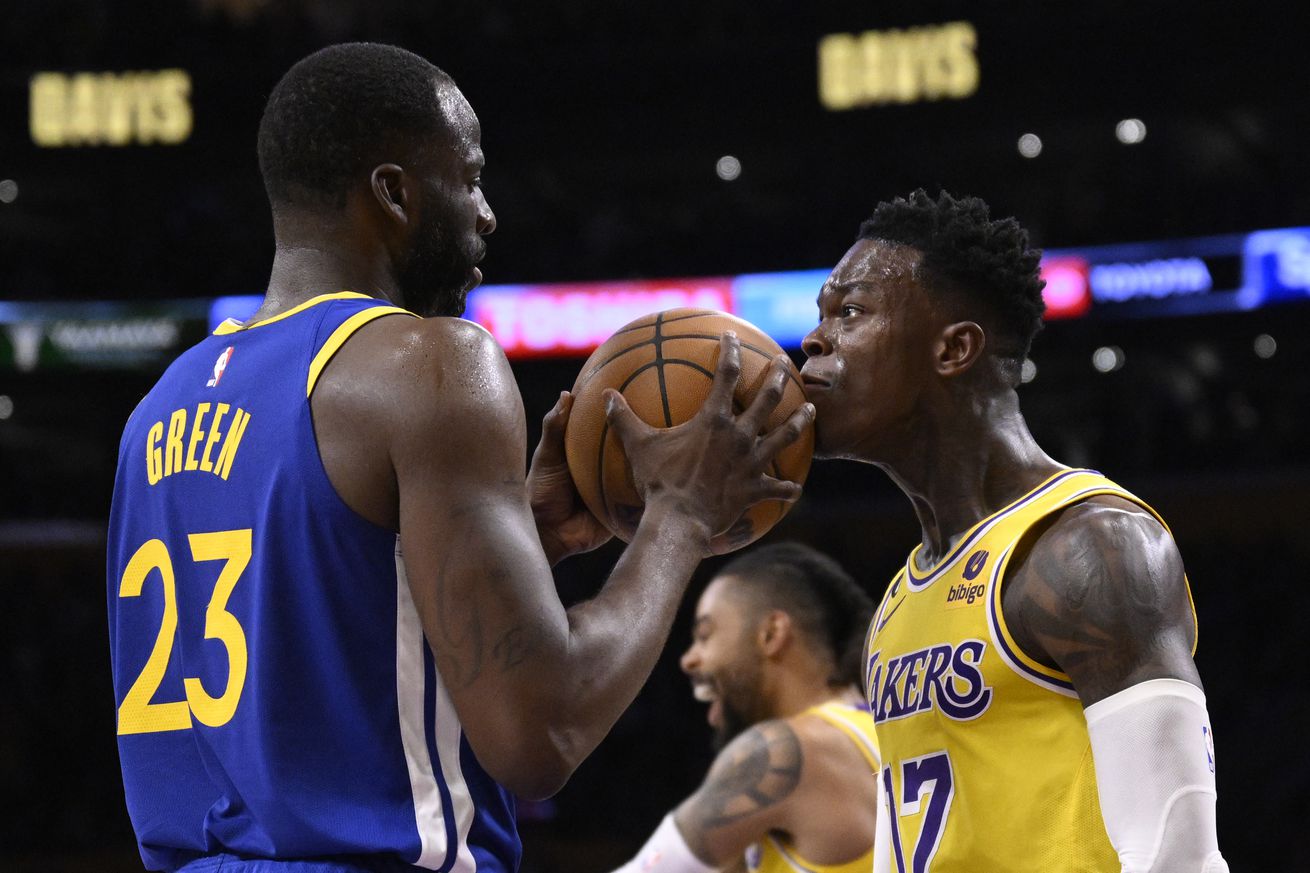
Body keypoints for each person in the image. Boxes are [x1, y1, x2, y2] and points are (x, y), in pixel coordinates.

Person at [105, 43, 812, 873]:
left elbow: (319, 650)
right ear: (394, 192)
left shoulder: (158, 410)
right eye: (470, 177)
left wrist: (524, 538)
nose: (487, 214)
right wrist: (681, 515)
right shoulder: (433, 364)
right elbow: (540, 731)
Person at [799, 189, 1228, 873]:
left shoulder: (1090, 546)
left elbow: (1177, 850)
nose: (815, 340)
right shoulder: (898, 600)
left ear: (954, 348)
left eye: (849, 311)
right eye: (821, 315)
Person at [608, 542, 879, 873]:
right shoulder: (877, 730)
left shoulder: (787, 750)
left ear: (771, 634)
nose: (689, 659)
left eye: (706, 635)